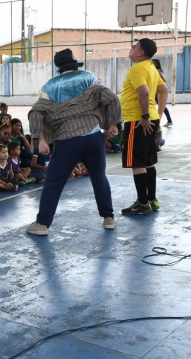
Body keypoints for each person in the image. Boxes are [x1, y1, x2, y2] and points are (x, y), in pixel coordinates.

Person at [26, 48, 121, 235]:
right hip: (94, 137)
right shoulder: (89, 77)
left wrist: (39, 138)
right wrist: (114, 122)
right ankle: (108, 218)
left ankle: (42, 224)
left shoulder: (49, 87)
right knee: (99, 177)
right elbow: (111, 98)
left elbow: (36, 112)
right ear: (75, 64)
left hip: (67, 141)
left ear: (58, 68)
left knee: (53, 182)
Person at [120, 39, 168, 215]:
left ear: (140, 52)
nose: (131, 49)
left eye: (134, 47)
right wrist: (158, 114)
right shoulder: (151, 68)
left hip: (137, 120)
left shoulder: (138, 68)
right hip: (149, 119)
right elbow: (164, 90)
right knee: (147, 162)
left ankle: (142, 203)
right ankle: (151, 200)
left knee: (137, 162)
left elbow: (145, 92)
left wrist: (145, 116)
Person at [152, 59, 173, 127]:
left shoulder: (157, 71)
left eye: (153, 63)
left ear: (157, 64)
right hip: (156, 92)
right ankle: (168, 121)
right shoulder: (157, 70)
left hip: (158, 92)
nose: (152, 64)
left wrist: (159, 85)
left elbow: (164, 79)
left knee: (162, 107)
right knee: (161, 107)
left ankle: (168, 121)